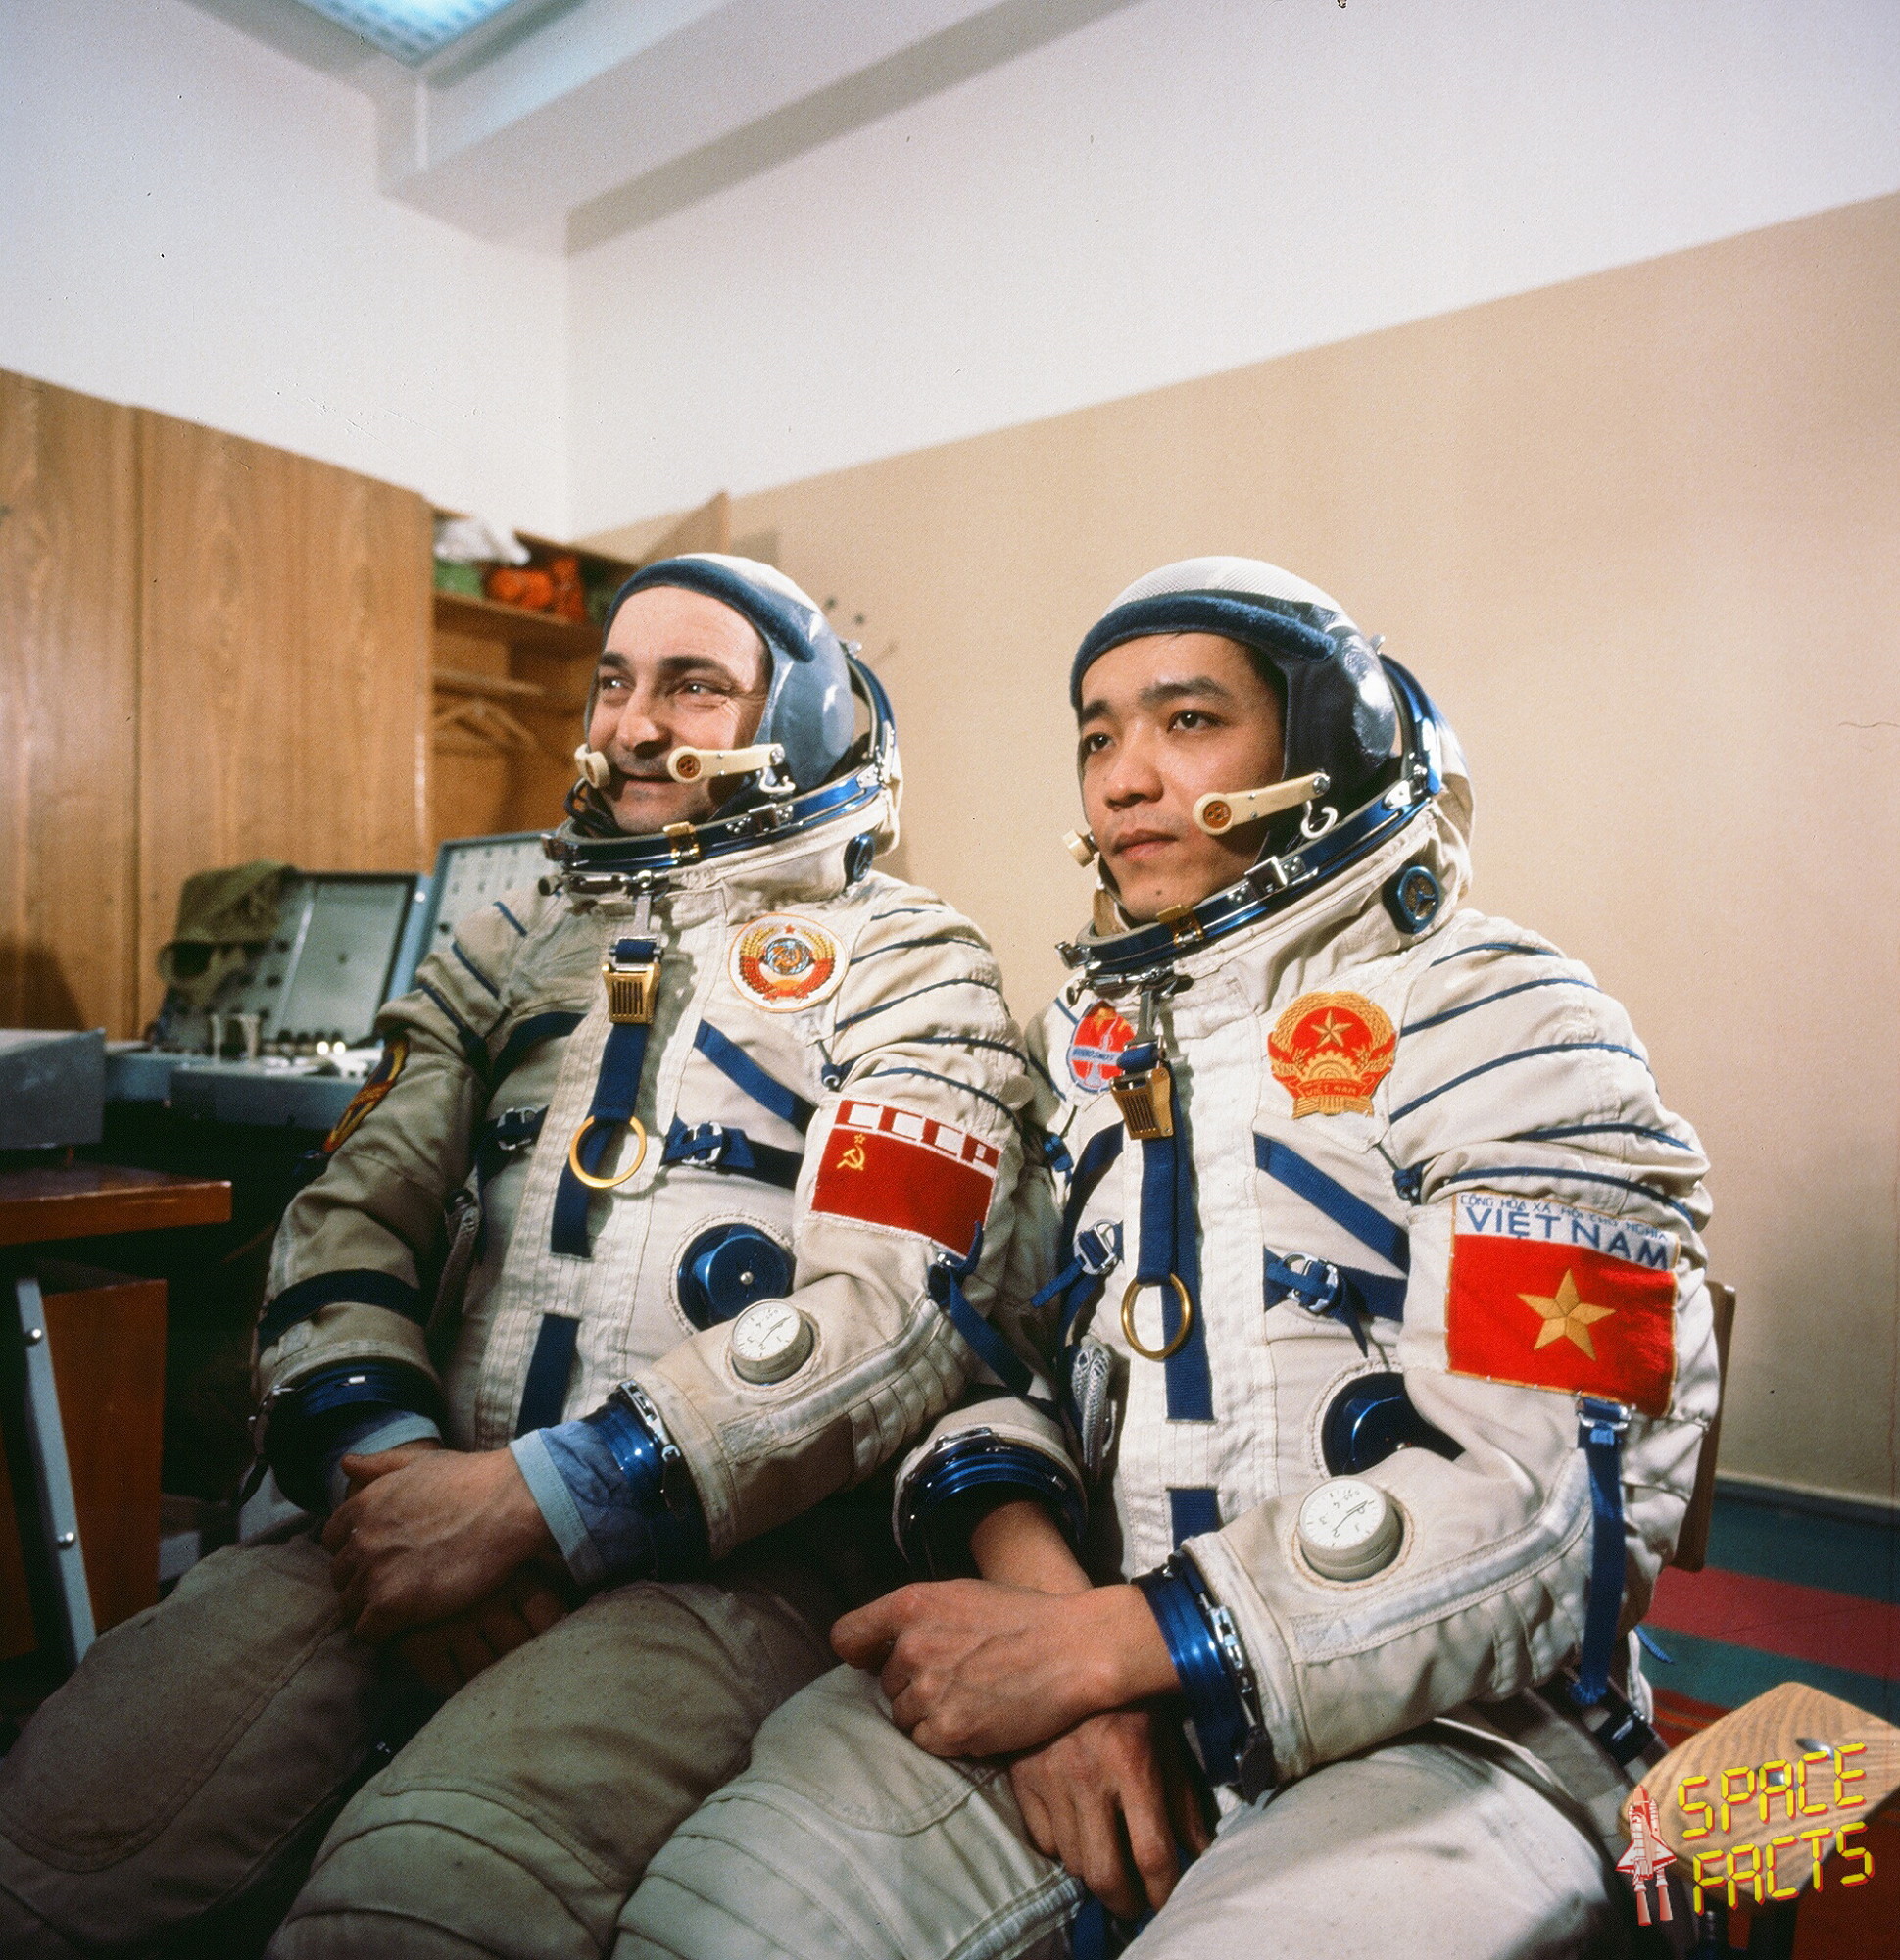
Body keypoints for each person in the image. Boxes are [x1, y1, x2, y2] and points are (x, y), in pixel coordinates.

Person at [618, 557, 1719, 1960]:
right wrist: (1053, 1635)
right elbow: (976, 1367)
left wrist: (1120, 1650)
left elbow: (1553, 1500)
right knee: (721, 1921)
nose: (1125, 779)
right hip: (1084, 1645)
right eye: (1097, 738)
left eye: (1187, 721)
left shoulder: (1515, 1026)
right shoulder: (1076, 1054)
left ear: (1323, 748)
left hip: (1461, 1724)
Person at [0, 555, 1039, 1959]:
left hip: (731, 1561)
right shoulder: (502, 951)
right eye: (612, 683)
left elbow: (891, 1312)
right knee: (67, 1839)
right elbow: (347, 1224)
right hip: (403, 1509)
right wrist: (396, 1485)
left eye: (691, 686)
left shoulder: (913, 964)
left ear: (796, 727)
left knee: (422, 1897)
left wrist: (543, 1503)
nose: (631, 725)